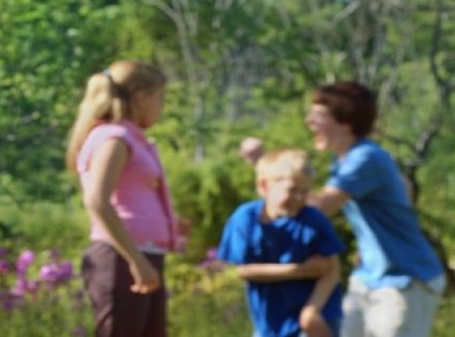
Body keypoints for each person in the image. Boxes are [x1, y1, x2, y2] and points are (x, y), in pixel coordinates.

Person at [241, 81, 447, 337]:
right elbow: (405, 191)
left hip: (405, 280)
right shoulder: (348, 158)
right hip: (370, 278)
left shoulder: (364, 158)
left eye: (318, 115)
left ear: (345, 121)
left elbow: (317, 209)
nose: (309, 122)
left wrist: (263, 165)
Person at [66, 60, 187, 337]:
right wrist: (136, 260)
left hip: (143, 253)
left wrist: (169, 224)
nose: (161, 106)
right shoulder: (114, 139)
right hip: (121, 257)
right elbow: (97, 201)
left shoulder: (132, 139)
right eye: (160, 98)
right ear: (142, 97)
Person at [218, 149, 345, 337]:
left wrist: (311, 313)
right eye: (292, 190)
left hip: (316, 317)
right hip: (270, 324)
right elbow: (244, 270)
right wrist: (300, 270)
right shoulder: (245, 219)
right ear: (264, 186)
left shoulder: (313, 218)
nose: (299, 198)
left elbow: (332, 270)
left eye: (305, 191)